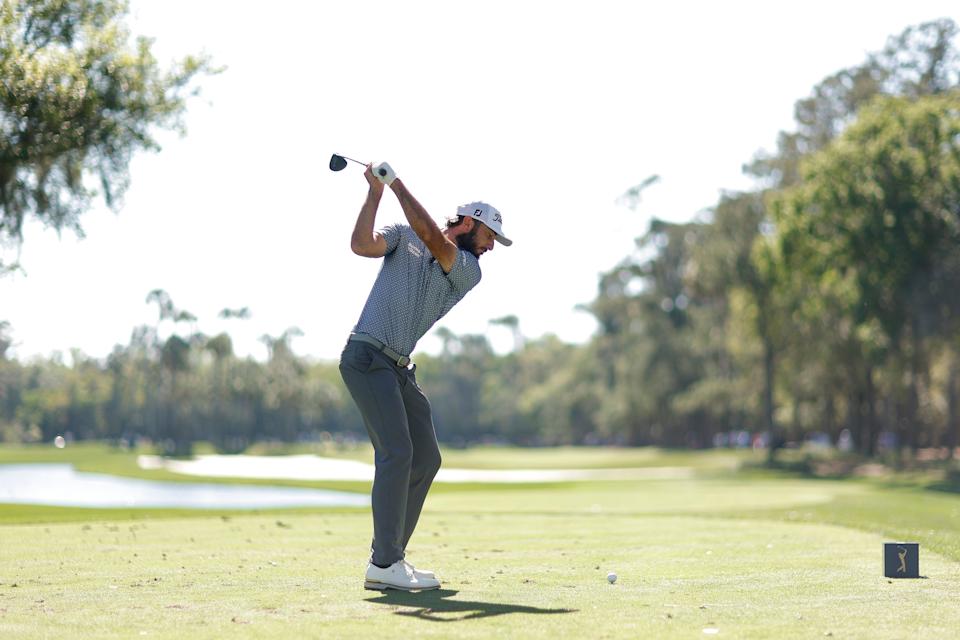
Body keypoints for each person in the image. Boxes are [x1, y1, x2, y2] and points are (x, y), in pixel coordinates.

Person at [339, 161, 512, 591]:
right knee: (398, 452)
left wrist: (396, 183)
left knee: (426, 457)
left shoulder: (468, 269)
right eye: (489, 236)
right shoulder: (403, 235)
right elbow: (361, 245)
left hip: (397, 366)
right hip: (367, 356)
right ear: (470, 224)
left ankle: (390, 558)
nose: (490, 246)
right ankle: (384, 564)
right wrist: (376, 193)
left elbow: (435, 239)